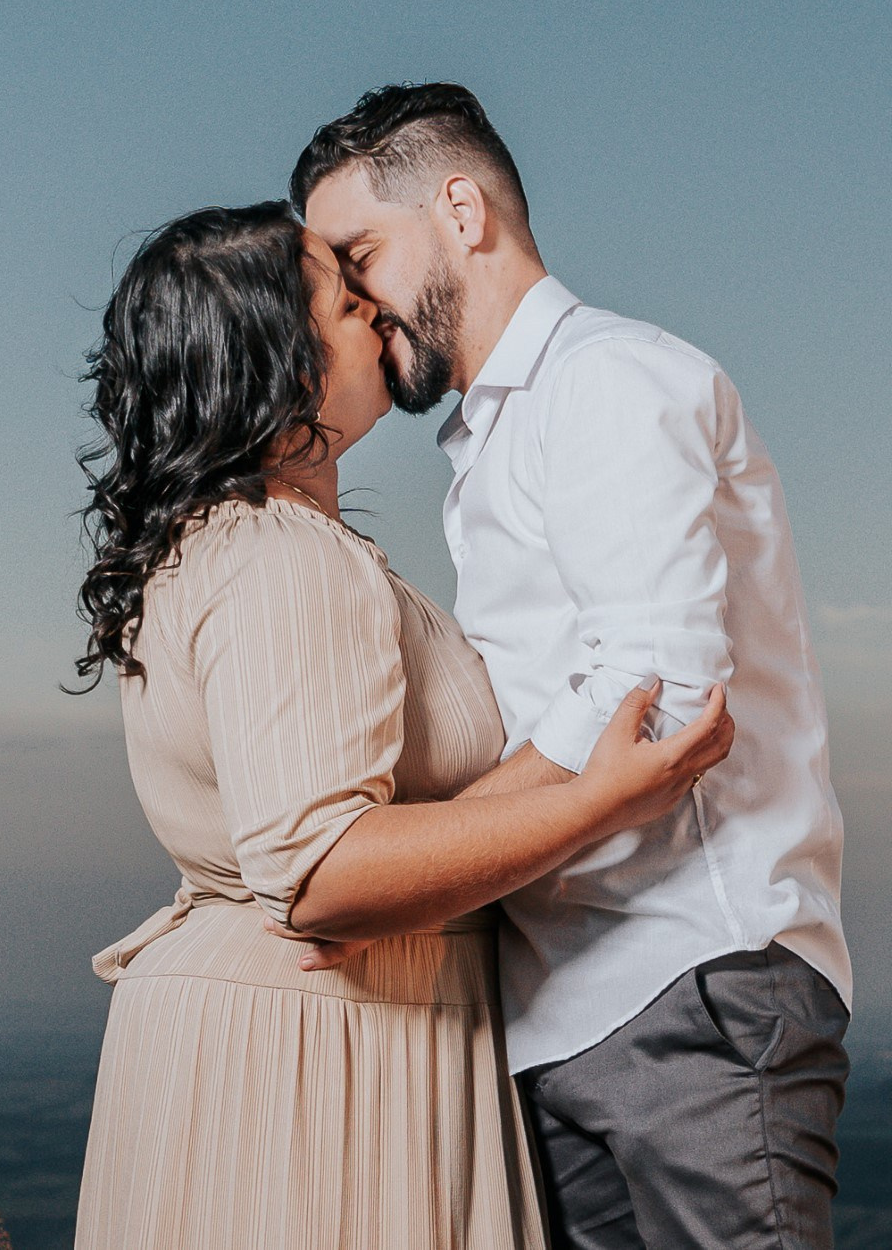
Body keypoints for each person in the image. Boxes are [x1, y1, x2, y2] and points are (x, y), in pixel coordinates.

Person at [68, 203, 736, 1250]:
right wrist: (599, 803)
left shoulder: (223, 549)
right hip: (325, 1054)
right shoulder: (286, 564)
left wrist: (578, 770)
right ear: (284, 368)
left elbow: (375, 826)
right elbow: (324, 869)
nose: (378, 314)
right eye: (344, 301)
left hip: (281, 1033)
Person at [290, 84, 852, 1250]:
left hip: (692, 975)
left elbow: (655, 700)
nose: (350, 299)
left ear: (462, 207)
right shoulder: (491, 441)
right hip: (560, 1010)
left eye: (361, 254)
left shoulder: (606, 379)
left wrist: (413, 873)